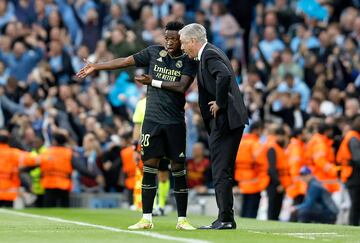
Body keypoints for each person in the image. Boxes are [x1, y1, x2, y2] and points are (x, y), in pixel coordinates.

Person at [77, 21, 198, 230]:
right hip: (151, 121)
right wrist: (97, 66)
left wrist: (153, 82)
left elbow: (181, 87)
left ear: (182, 40)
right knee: (149, 167)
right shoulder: (153, 52)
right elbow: (125, 61)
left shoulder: (188, 60)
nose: (168, 42)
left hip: (175, 122)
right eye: (166, 37)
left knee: (178, 169)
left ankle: (182, 220)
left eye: (173, 39)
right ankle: (146, 218)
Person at [179, 23, 248, 230]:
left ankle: (226, 219)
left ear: (193, 41)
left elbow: (224, 75)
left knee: (220, 170)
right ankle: (225, 217)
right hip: (227, 121)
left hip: (226, 120)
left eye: (183, 43)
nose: (182, 47)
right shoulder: (209, 53)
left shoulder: (208, 54)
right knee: (221, 169)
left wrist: (220, 103)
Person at [235, 121, 269, 219]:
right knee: (251, 211)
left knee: (244, 210)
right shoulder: (255, 144)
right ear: (257, 130)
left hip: (242, 181)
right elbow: (261, 162)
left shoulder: (241, 142)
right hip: (254, 181)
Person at [336, 116, 360, 226]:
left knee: (355, 203)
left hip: (351, 174)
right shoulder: (354, 138)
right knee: (355, 203)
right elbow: (357, 158)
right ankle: (353, 226)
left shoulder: (353, 136)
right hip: (353, 175)